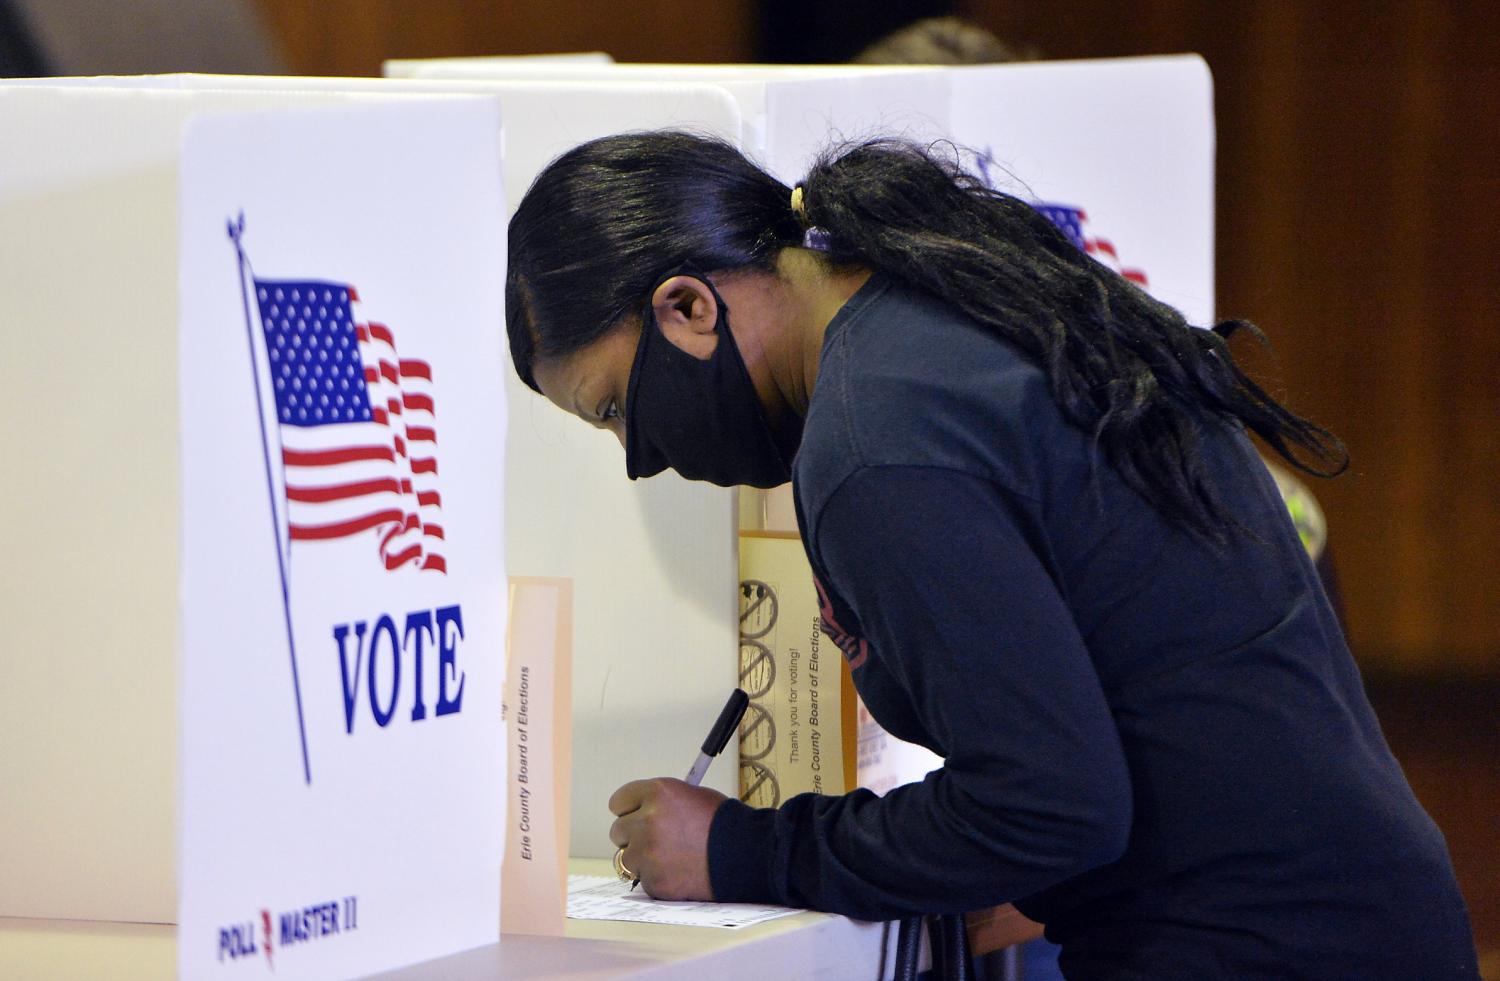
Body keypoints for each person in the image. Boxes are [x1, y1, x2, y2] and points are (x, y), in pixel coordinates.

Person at [505, 132, 1480, 979]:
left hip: (1248, 945)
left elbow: (1049, 808)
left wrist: (738, 849)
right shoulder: (938, 318)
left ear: (686, 308)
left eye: (615, 409)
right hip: (1345, 913)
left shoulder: (876, 443)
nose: (642, 458)